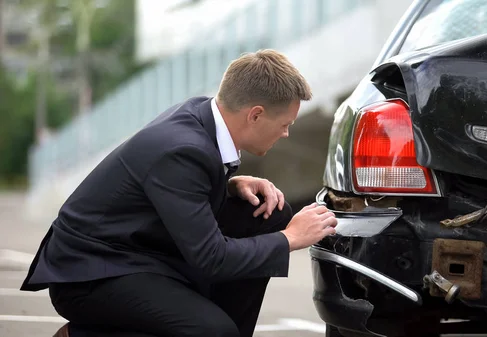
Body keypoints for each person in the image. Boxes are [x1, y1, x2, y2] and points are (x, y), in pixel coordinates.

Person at [20, 49, 338, 337]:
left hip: (139, 252)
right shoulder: (182, 149)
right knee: (212, 332)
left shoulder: (201, 115)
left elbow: (170, 187)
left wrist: (229, 185)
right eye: (285, 124)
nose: (286, 133)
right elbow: (212, 258)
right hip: (91, 273)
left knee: (268, 213)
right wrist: (291, 238)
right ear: (254, 115)